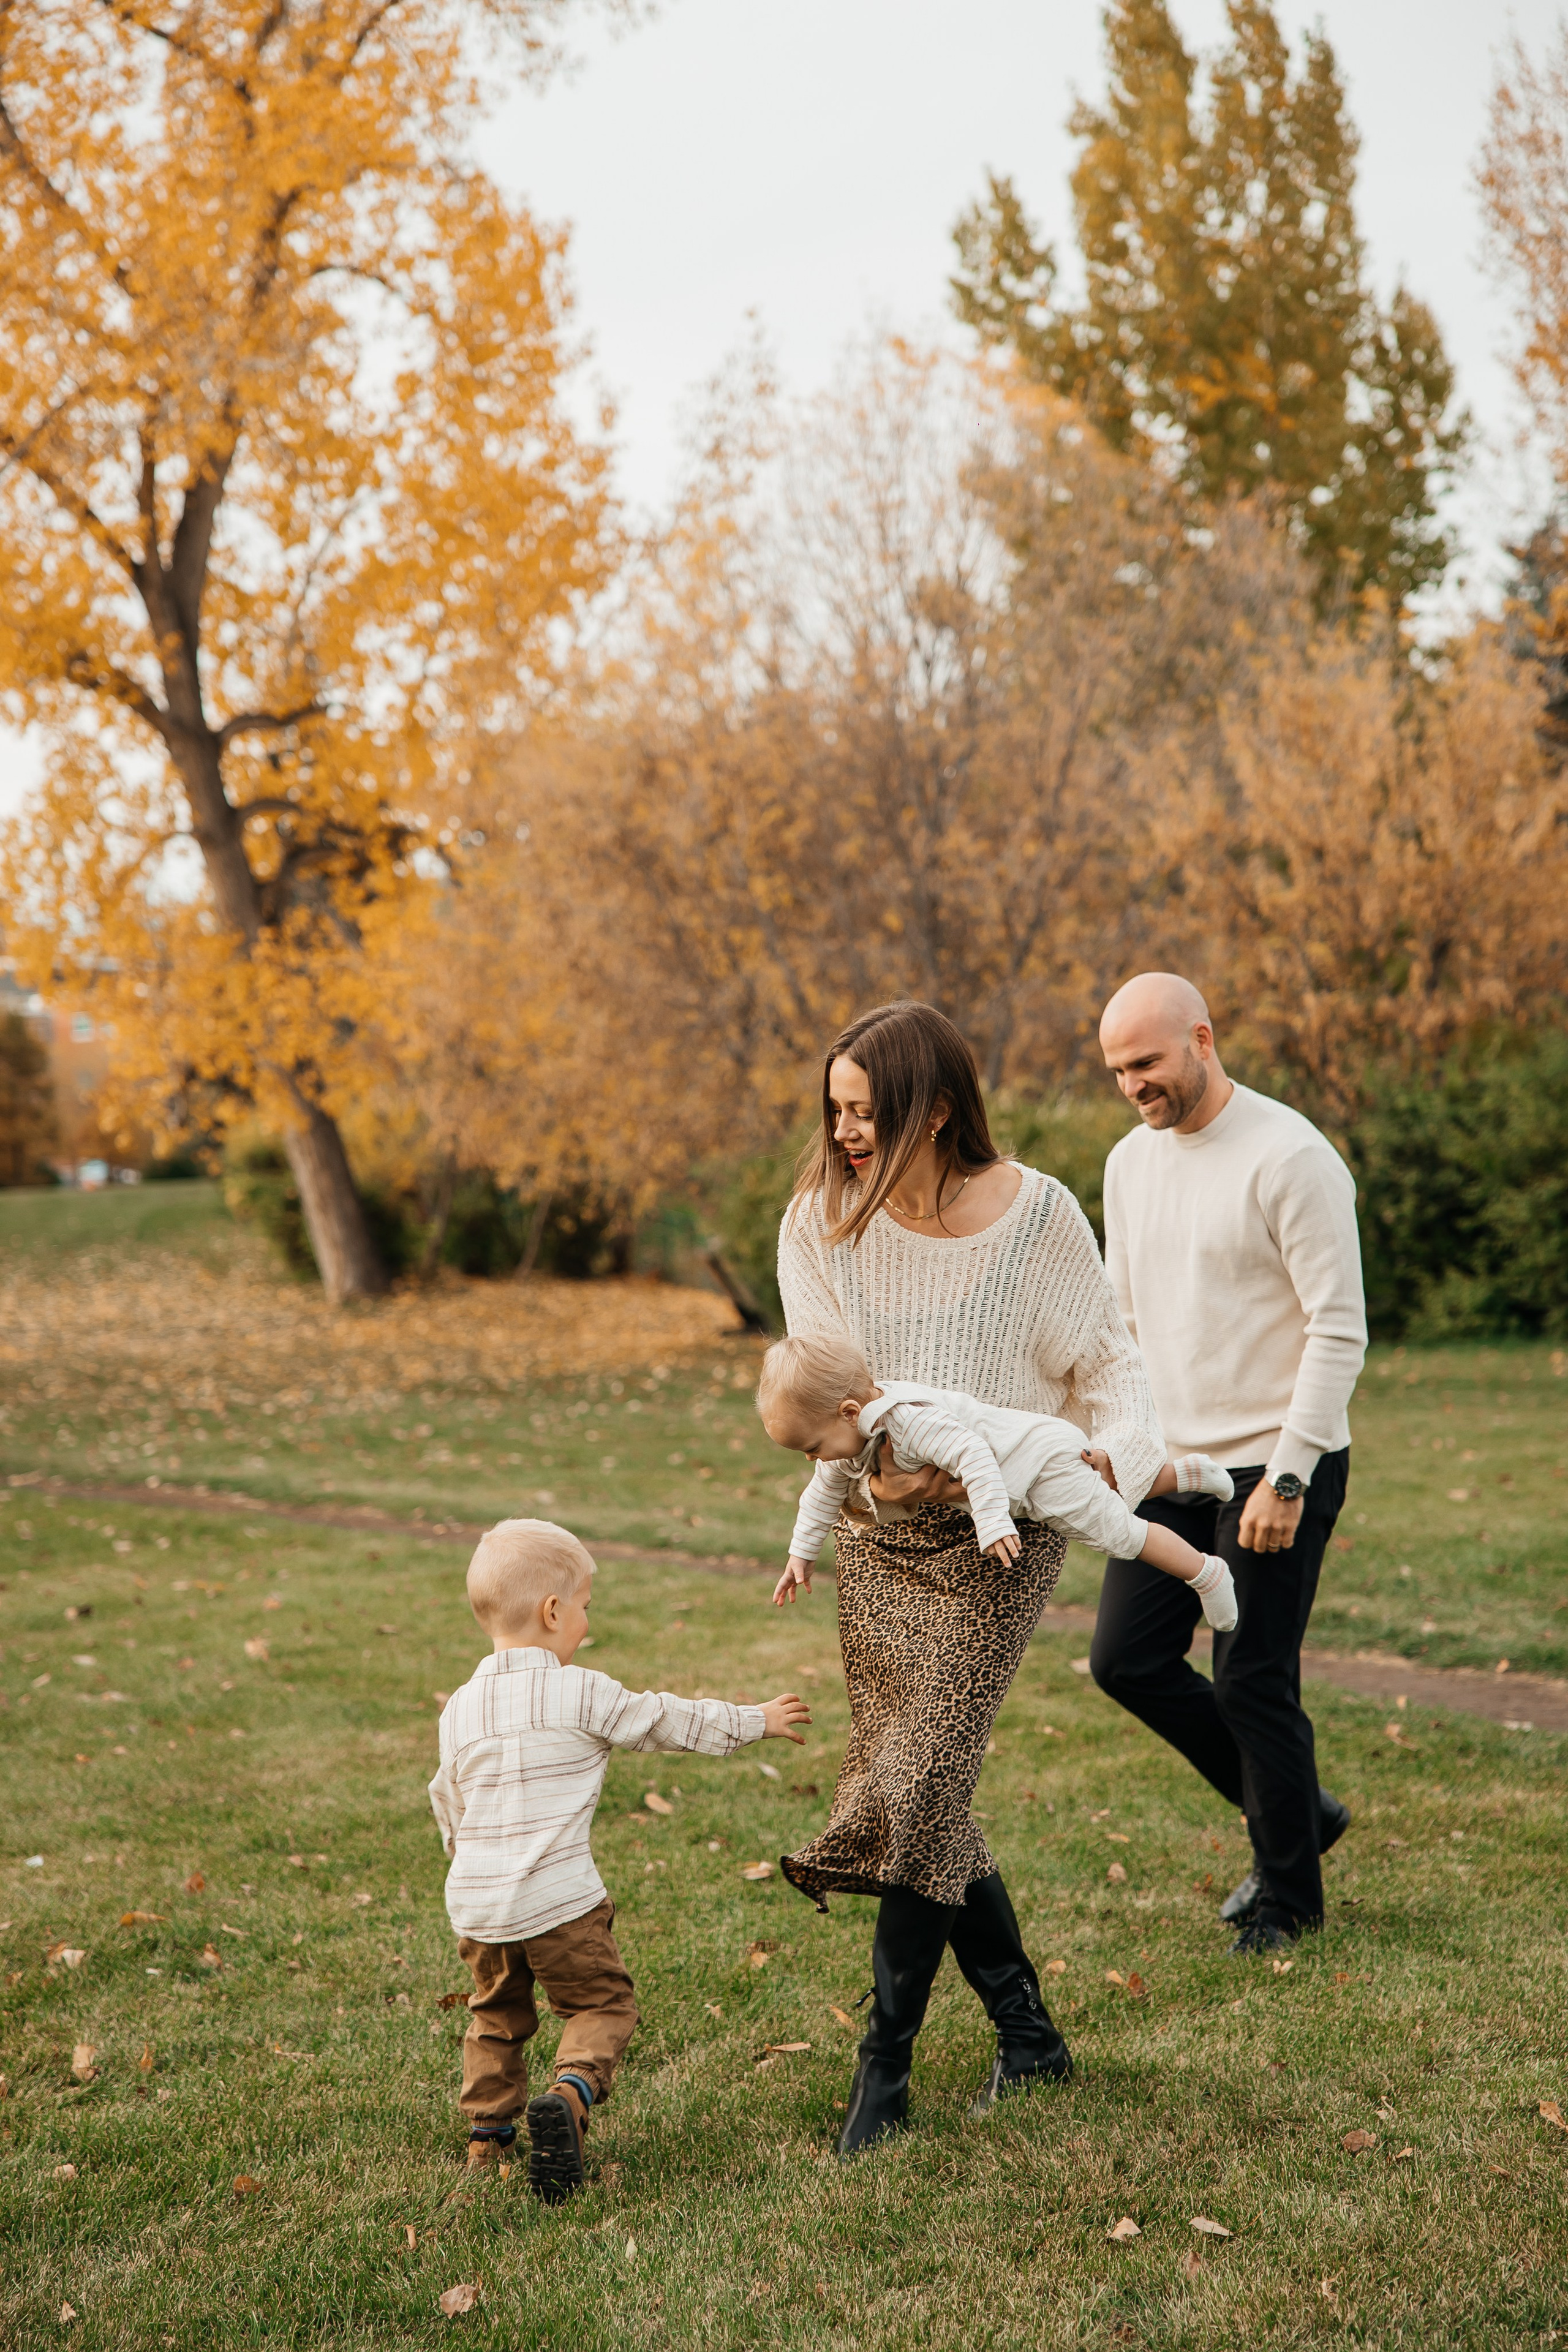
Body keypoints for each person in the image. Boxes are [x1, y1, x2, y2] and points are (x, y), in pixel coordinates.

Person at [774, 1000, 1167, 2156]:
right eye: (835, 1109)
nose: (846, 1133)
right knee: (924, 1788)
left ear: (936, 1109)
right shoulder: (819, 1225)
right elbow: (831, 1401)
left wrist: (1116, 1461)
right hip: (884, 1546)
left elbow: (1110, 1365)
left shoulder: (1037, 1213)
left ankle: (881, 2076)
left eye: (867, 1111)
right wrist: (880, 1473)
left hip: (1005, 1537)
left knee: (923, 1775)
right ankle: (1029, 2037)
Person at [1092, 973, 1367, 1955]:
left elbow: (1339, 1331)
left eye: (1148, 1062)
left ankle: (1290, 1898)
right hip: (1174, 1470)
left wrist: (1289, 1477)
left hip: (1275, 1464)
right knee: (1124, 1661)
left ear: (1202, 1040)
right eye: (1119, 1070)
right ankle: (1297, 1815)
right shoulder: (1129, 1164)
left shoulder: (1290, 1156)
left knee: (1251, 1676)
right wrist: (1122, 1446)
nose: (1134, 1084)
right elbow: (1121, 1321)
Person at [428, 1517, 810, 2200]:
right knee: (602, 2002)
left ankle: (486, 2138)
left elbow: (447, 1800)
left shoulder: (459, 1708)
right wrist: (757, 1720)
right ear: (552, 1612)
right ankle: (570, 2095)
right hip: (559, 1901)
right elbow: (669, 1720)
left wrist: (466, 1860)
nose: (584, 1621)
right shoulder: (582, 1692)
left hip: (478, 1904)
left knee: (494, 2016)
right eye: (584, 1607)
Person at [758, 1331, 1238, 1629]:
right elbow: (820, 1496)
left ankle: (1204, 1571)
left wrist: (990, 1520)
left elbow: (974, 1454)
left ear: (847, 1413)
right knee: (1104, 1496)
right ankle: (1188, 1473)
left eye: (812, 1446)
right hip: (1029, 1472)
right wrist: (800, 1555)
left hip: (1037, 1465)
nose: (810, 1459)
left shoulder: (908, 1422)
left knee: (1119, 1533)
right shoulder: (850, 1436)